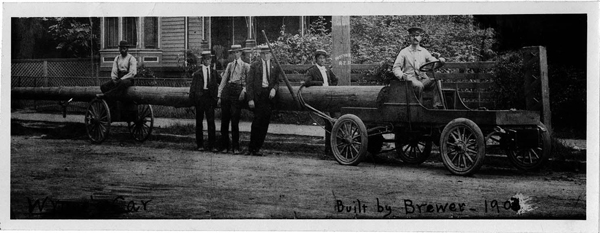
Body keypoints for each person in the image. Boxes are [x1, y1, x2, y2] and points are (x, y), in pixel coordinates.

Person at [392, 27, 446, 108]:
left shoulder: (424, 51)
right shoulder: (404, 52)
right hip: (410, 79)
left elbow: (433, 62)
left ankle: (437, 106)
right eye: (413, 35)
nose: (415, 38)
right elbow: (396, 67)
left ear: (421, 37)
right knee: (418, 86)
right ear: (409, 37)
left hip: (423, 79)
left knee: (436, 82)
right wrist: (402, 75)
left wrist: (440, 61)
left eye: (417, 35)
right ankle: (419, 108)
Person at [245, 45, 281, 156]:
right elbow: (249, 83)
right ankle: (252, 147)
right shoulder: (255, 66)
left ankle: (258, 148)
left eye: (267, 54)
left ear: (271, 54)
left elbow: (277, 81)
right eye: (263, 54)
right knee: (257, 122)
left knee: (265, 122)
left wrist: (274, 89)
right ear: (260, 54)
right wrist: (250, 99)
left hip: (269, 96)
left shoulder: (275, 66)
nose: (266, 56)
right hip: (258, 96)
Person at [303, 49, 338, 155]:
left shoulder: (327, 69)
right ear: (316, 59)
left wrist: (331, 88)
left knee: (335, 120)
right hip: (320, 99)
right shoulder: (312, 70)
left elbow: (335, 79)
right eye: (320, 58)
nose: (322, 60)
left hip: (329, 97)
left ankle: (334, 147)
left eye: (324, 58)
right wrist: (320, 84)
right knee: (328, 121)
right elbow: (307, 82)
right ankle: (329, 148)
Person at [217, 45, 250, 154]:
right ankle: (224, 146)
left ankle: (236, 147)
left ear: (240, 53)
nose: (235, 54)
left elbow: (249, 82)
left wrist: (244, 91)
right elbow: (224, 80)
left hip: (238, 90)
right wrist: (219, 95)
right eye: (233, 53)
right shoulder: (230, 65)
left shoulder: (246, 66)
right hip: (228, 90)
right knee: (224, 119)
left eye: (237, 52)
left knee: (235, 120)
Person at [189, 51, 221, 152]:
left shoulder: (214, 72)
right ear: (203, 60)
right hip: (200, 99)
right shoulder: (197, 74)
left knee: (211, 122)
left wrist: (217, 97)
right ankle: (200, 145)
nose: (208, 61)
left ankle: (212, 145)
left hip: (210, 99)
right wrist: (192, 103)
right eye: (206, 59)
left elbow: (222, 82)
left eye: (210, 59)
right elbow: (192, 89)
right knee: (199, 122)